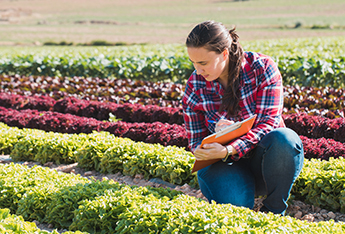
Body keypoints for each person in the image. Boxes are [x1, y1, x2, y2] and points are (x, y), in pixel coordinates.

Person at [182, 20, 304, 215]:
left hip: (265, 162)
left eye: (203, 63)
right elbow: (195, 141)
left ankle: (274, 210)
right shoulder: (195, 86)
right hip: (223, 167)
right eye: (194, 63)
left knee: (285, 139)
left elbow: (269, 123)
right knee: (237, 208)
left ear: (224, 53)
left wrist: (230, 148)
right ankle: (237, 192)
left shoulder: (262, 69)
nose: (197, 70)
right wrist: (210, 144)